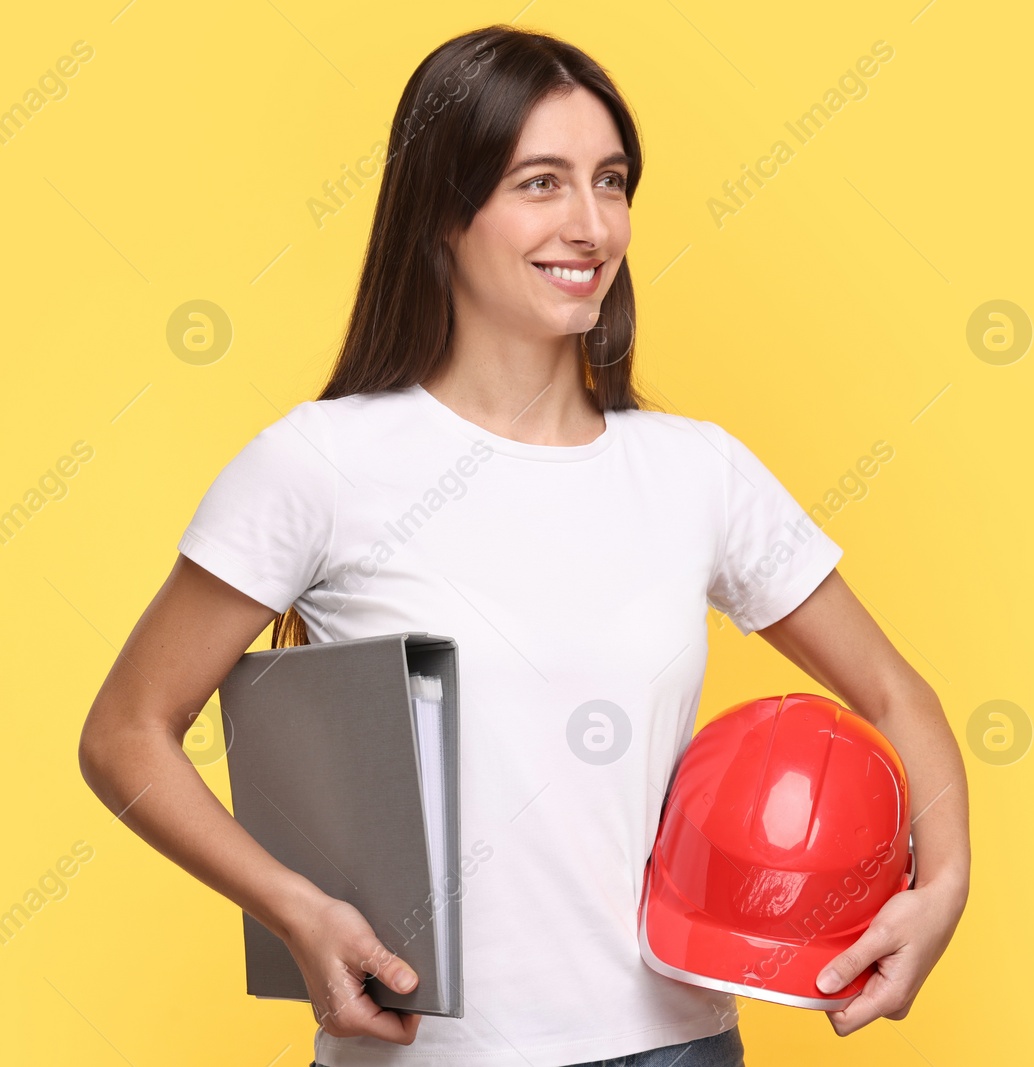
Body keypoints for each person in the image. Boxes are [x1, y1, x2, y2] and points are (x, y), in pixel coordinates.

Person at [76, 23, 969, 1067]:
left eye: (611, 181)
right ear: (443, 215)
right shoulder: (319, 462)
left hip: (674, 1048)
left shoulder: (694, 471)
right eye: (540, 183)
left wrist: (940, 888)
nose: (591, 224)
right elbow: (127, 730)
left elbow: (899, 696)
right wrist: (296, 910)